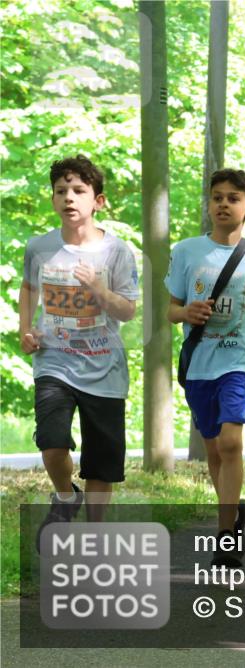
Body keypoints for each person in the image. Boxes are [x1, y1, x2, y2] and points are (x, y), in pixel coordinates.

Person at [20, 155, 139, 547]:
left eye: (79, 191)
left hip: (104, 367)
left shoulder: (117, 252)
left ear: (98, 201)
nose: (69, 198)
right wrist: (25, 328)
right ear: (53, 199)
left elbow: (127, 308)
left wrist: (99, 291)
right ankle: (66, 496)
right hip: (54, 361)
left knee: (101, 462)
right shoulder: (39, 247)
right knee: (51, 442)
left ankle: (95, 535)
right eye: (61, 191)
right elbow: (28, 288)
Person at [166, 169, 245, 567]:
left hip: (240, 358)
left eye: (233, 198)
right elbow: (169, 309)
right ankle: (233, 511)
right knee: (214, 448)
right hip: (200, 361)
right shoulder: (186, 251)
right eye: (217, 197)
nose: (223, 204)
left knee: (231, 442)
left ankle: (225, 536)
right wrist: (186, 312)